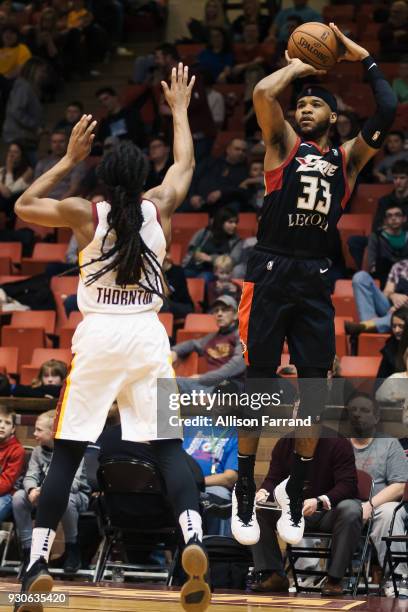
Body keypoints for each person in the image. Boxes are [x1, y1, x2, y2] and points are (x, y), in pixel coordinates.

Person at [13, 63, 212, 612]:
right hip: (149, 337)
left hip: (99, 338)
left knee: (68, 453)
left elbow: (22, 206)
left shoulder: (84, 213)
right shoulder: (160, 207)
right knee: (169, 449)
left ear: (104, 177)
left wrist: (68, 161)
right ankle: (193, 539)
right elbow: (185, 163)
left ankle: (34, 566)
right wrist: (177, 110)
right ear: (141, 174)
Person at [232, 23, 398, 549]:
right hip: (271, 271)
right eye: (300, 103)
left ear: (333, 116)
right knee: (256, 387)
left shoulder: (345, 158)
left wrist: (363, 57)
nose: (304, 108)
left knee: (316, 393)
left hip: (315, 280)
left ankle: (296, 489)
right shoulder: (281, 144)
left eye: (314, 104)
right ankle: (243, 483)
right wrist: (300, 67)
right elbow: (263, 93)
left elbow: (388, 111)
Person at [251, 427, 361, 596]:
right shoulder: (284, 443)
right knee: (259, 512)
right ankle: (273, 574)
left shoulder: (338, 442)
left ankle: (335, 579)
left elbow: (348, 485)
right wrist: (263, 493)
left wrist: (319, 501)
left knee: (352, 510)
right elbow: (273, 479)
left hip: (327, 512)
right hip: (292, 511)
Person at [12, 410, 90, 575]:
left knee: (66, 499)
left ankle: (72, 548)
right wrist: (32, 489)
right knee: (19, 497)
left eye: (39, 430)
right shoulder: (37, 452)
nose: (35, 434)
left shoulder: (73, 452)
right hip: (41, 495)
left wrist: (47, 490)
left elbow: (74, 484)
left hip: (75, 497)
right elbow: (30, 477)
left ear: (53, 432)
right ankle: (28, 552)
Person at [347, 392, 408, 596]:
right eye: (353, 410)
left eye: (364, 410)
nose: (357, 415)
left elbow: (400, 486)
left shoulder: (390, 444)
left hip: (381, 505)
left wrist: (369, 505)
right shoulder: (339, 444)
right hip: (345, 504)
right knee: (304, 505)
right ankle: (310, 574)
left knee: (389, 513)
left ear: (376, 417)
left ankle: (397, 579)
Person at [171, 294, 246, 391]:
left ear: (236, 315)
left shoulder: (241, 336)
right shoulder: (211, 337)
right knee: (169, 384)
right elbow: (193, 344)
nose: (219, 314)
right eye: (216, 310)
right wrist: (175, 351)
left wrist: (202, 378)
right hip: (209, 385)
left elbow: (235, 367)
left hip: (230, 385)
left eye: (225, 310)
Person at [346, 258, 408, 335]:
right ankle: (369, 324)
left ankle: (365, 326)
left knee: (402, 316)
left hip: (403, 313)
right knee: (361, 277)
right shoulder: (400, 266)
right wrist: (393, 295)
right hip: (389, 307)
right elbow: (387, 292)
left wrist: (401, 309)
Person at [182, 207, 243, 282]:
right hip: (194, 267)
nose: (234, 225)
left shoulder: (236, 240)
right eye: (230, 222)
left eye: (236, 222)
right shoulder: (204, 232)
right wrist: (196, 254)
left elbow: (233, 260)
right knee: (179, 274)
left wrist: (210, 258)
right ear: (221, 222)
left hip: (215, 272)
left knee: (204, 277)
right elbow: (192, 248)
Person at [34, 130, 87, 200]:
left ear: (68, 143)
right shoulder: (42, 163)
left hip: (65, 201)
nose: (57, 145)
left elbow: (74, 188)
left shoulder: (77, 163)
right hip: (43, 201)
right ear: (50, 144)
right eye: (54, 142)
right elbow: (35, 187)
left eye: (61, 141)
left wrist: (58, 204)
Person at [366, 203, 408, 288]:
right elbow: (371, 264)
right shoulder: (376, 237)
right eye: (389, 216)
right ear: (385, 220)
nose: (393, 218)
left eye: (397, 215)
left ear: (404, 218)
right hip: (383, 278)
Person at [0, 406, 25, 522]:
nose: (2, 426)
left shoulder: (17, 450)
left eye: (7, 423)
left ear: (13, 429)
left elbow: (6, 483)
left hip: (7, 495)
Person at [0, 142, 33, 219]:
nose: (11, 155)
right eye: (10, 151)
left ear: (22, 155)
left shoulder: (28, 171)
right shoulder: (1, 170)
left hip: (13, 207)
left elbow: (8, 193)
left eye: (15, 152)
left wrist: (9, 170)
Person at [376, 307, 408, 379]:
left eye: (401, 326)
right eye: (394, 326)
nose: (396, 330)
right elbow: (380, 380)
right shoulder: (389, 348)